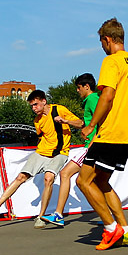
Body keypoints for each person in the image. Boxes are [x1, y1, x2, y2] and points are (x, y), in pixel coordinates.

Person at [75, 18, 128, 250]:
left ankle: (111, 228)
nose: (101, 46)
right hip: (126, 134)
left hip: (110, 132)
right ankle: (126, 229)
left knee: (82, 181)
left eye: (101, 42)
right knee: (102, 181)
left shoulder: (111, 61)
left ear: (108, 39)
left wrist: (91, 125)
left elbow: (108, 96)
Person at [0, 90, 82, 230]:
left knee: (48, 178)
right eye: (32, 106)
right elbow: (42, 136)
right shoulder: (38, 120)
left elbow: (80, 123)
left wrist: (66, 121)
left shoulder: (59, 109)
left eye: (36, 104)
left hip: (60, 153)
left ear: (44, 101)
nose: (34, 108)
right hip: (42, 152)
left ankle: (41, 216)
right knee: (20, 177)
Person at [41, 73, 100, 227]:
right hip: (94, 145)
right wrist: (68, 121)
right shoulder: (91, 100)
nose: (77, 91)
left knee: (65, 173)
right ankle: (108, 215)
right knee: (98, 182)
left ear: (86, 87)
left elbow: (102, 121)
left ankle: (59, 214)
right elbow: (85, 123)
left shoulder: (93, 99)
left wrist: (93, 142)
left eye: (78, 88)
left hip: (92, 147)